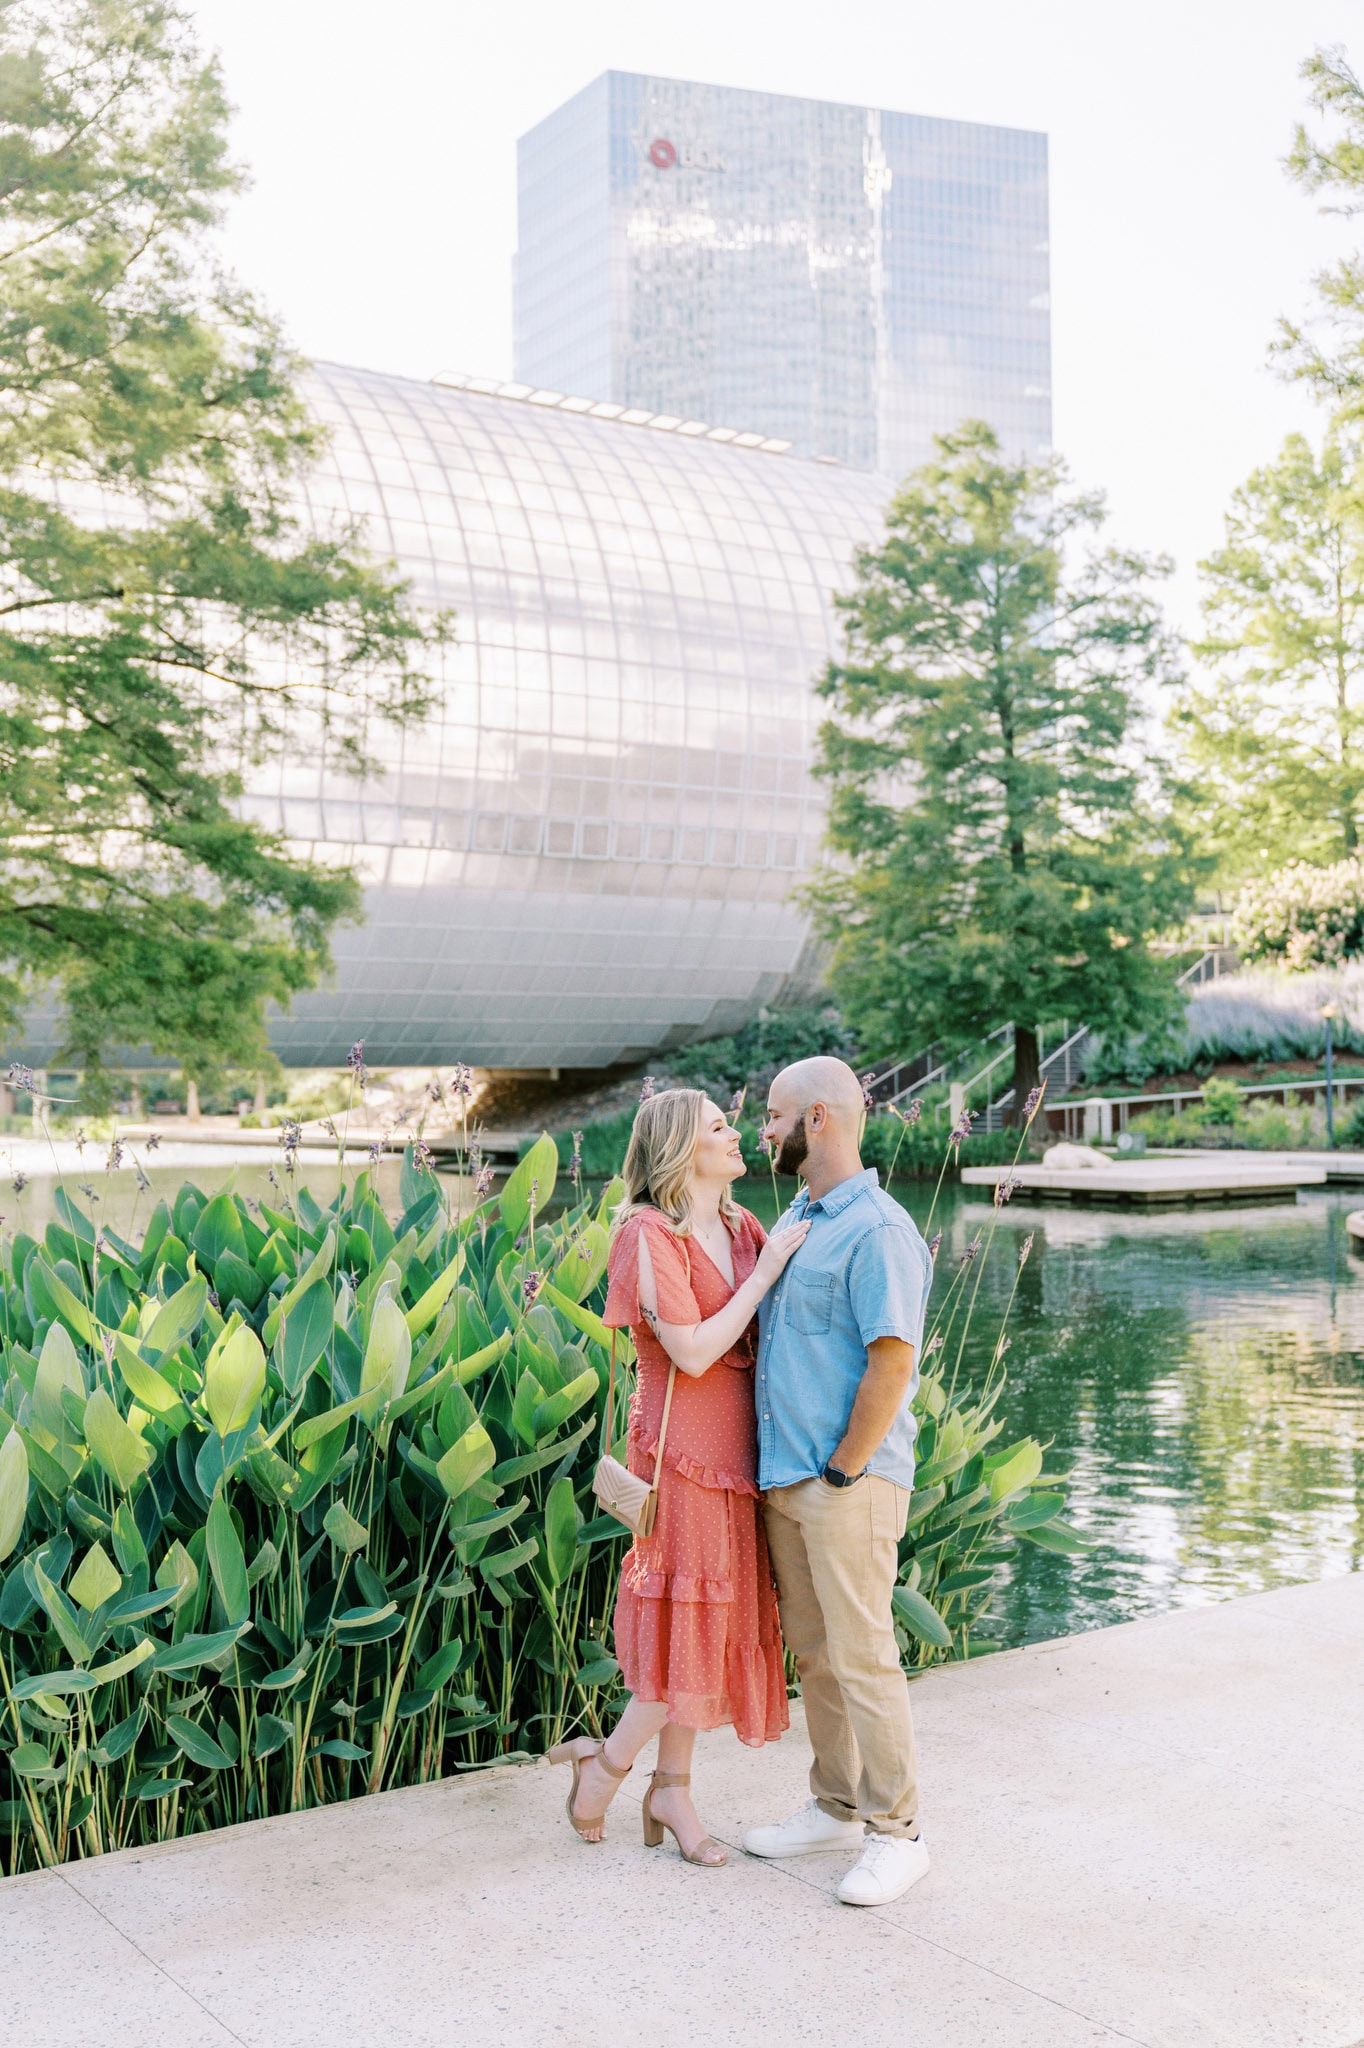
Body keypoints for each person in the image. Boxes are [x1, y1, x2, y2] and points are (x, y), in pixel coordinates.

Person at [549, 1087, 809, 1863]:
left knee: (714, 1623)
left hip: (739, 1457)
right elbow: (692, 1352)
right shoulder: (646, 1234)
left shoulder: (741, 1225)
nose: (738, 1136)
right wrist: (762, 1278)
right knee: (686, 1627)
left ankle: (672, 1789)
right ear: (679, 1152)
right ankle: (607, 1766)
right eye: (720, 1128)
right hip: (680, 1457)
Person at [743, 1056, 934, 1907]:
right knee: (816, 1657)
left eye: (774, 1117)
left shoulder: (879, 1229)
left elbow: (892, 1360)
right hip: (789, 1477)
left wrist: (845, 1468)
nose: (764, 1131)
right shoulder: (799, 1218)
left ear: (818, 1119)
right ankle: (834, 1806)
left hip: (844, 1480)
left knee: (863, 1659)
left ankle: (900, 1834)